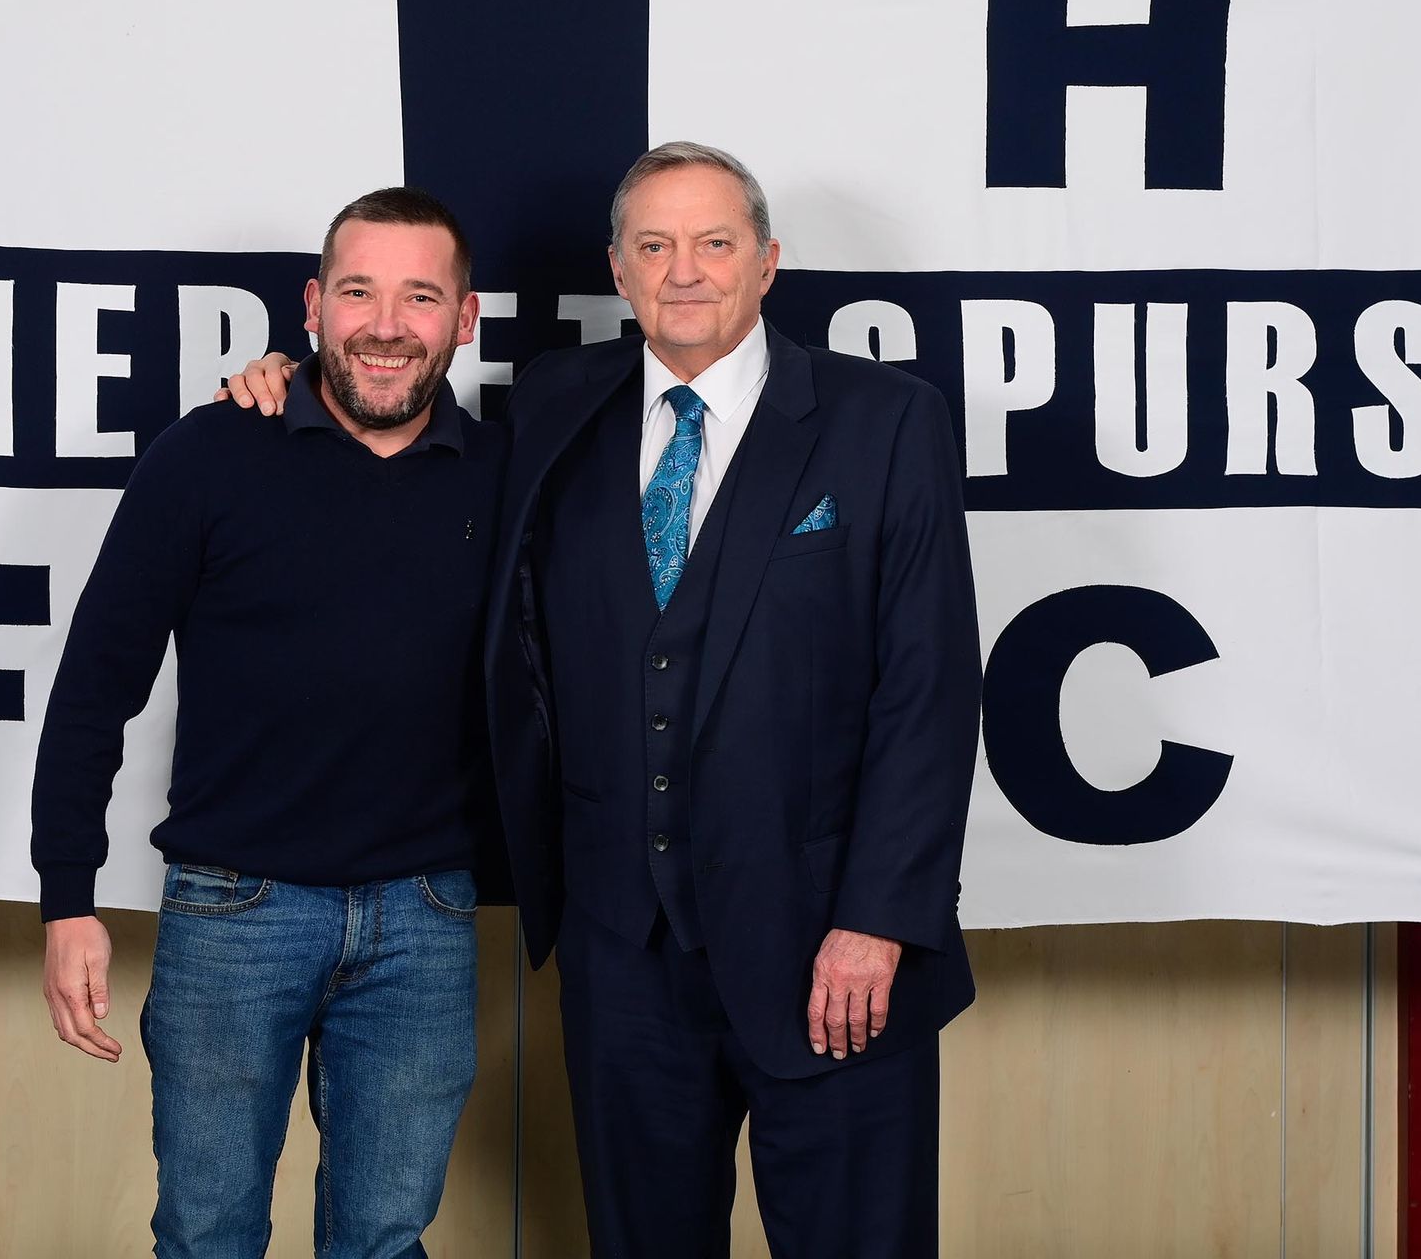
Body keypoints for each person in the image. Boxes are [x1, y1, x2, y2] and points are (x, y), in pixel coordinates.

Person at [227, 142, 981, 1258]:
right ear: (619, 271)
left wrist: (878, 922)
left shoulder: (886, 421)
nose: (686, 270)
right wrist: (289, 385)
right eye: (654, 245)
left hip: (832, 953)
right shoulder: (554, 404)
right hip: (622, 956)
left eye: (715, 242)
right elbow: (395, 432)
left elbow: (930, 691)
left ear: (767, 262)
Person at [32, 187, 506, 1259]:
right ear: (312, 306)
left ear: (466, 318)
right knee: (207, 1237)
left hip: (426, 917)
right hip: (233, 911)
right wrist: (67, 896)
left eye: (420, 297)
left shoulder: (505, 476)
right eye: (358, 292)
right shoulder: (209, 455)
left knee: (384, 1241)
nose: (386, 325)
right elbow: (96, 683)